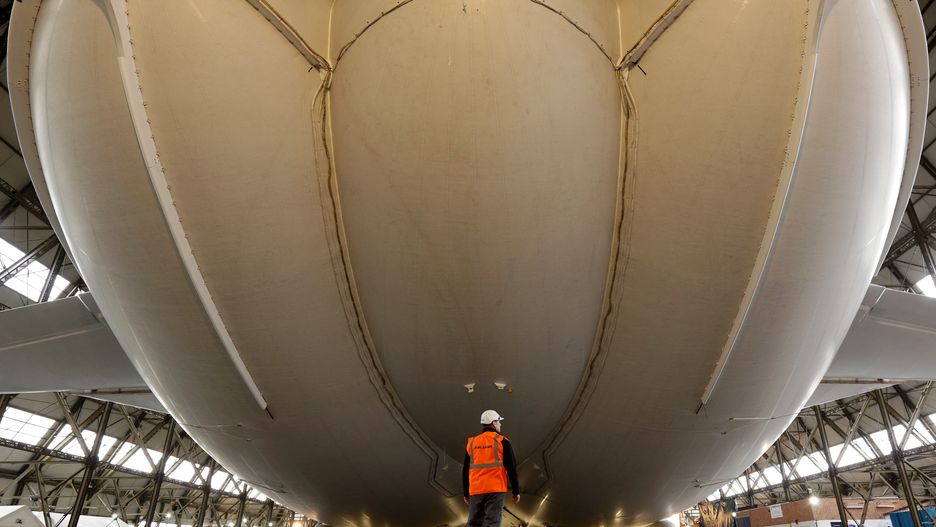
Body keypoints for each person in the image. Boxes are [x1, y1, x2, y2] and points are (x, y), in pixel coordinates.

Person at [463, 409, 520, 527]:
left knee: (474, 524)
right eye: (499, 421)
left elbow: (465, 470)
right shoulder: (502, 441)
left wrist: (466, 492)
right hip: (495, 489)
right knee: (492, 523)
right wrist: (516, 491)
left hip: (476, 489)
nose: (500, 424)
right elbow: (512, 468)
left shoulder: (472, 442)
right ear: (494, 423)